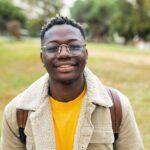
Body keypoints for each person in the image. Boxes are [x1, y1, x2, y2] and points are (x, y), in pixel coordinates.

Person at [1, 16, 144, 150]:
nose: (63, 54)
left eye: (74, 46)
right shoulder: (17, 113)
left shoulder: (117, 107)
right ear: (42, 58)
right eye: (52, 48)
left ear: (86, 54)